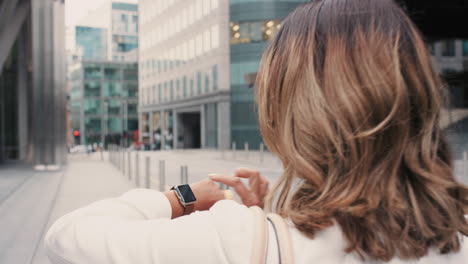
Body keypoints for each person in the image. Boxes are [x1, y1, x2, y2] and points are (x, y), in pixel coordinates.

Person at [45, 0, 468, 263]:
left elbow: (68, 238)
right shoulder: (459, 229)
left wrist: (186, 197)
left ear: (288, 109)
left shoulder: (239, 240)